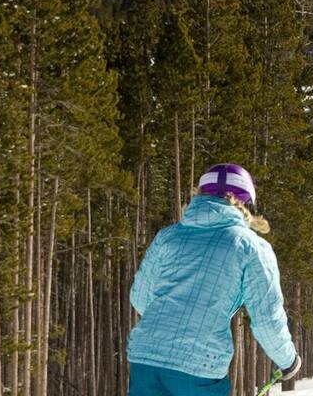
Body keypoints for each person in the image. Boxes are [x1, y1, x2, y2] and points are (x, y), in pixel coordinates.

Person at [129, 163, 301, 396]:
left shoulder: (168, 237)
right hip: (199, 365)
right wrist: (288, 360)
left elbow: (140, 297)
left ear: (200, 195)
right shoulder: (251, 246)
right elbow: (266, 318)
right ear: (246, 203)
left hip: (146, 357)